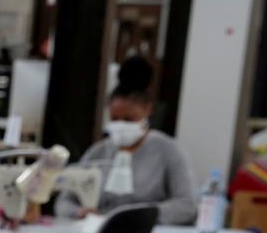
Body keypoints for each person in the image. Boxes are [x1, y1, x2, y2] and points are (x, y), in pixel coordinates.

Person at [79, 55, 197, 224]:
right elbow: (65, 200)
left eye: (128, 119)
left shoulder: (168, 150)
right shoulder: (99, 152)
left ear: (148, 110)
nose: (121, 125)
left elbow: (187, 204)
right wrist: (80, 212)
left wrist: (138, 218)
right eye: (115, 119)